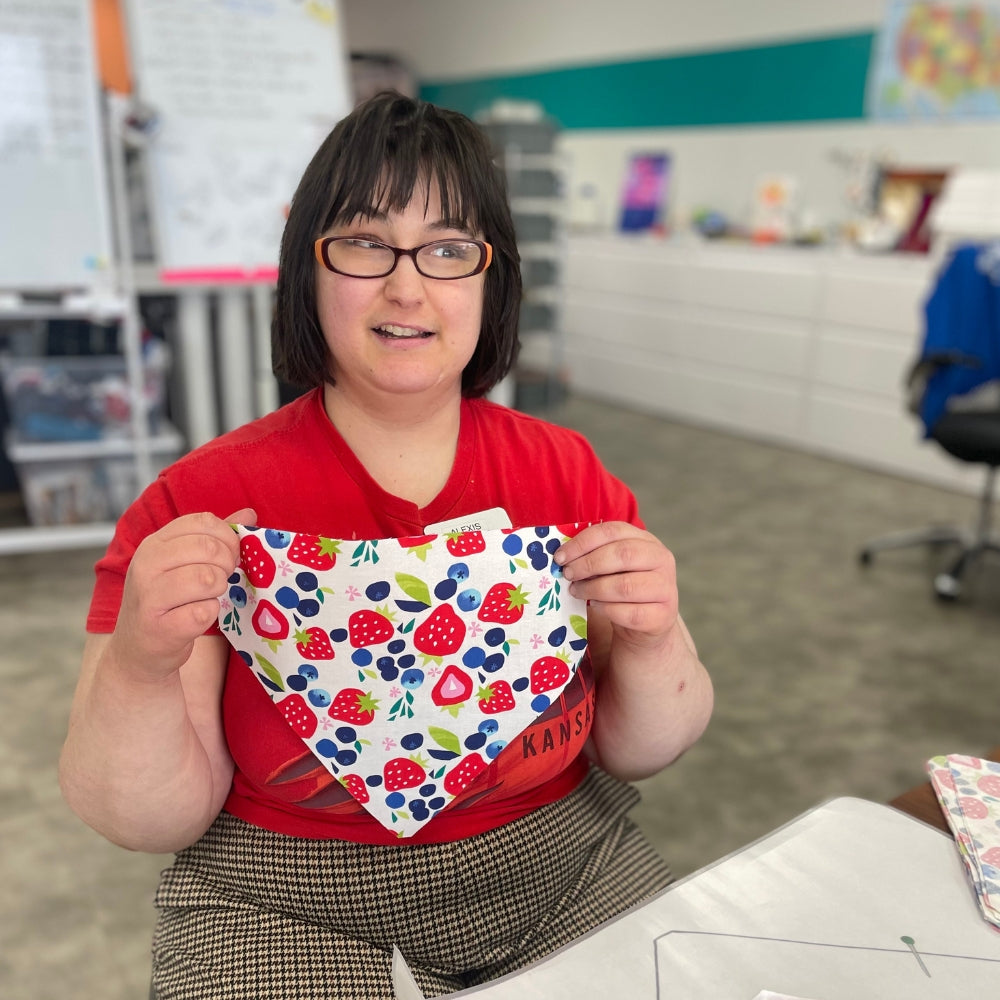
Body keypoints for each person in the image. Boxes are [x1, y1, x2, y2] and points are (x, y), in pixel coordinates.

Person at [59, 92, 713, 999]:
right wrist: (138, 663)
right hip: (284, 901)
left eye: (449, 249)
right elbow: (140, 814)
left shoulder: (567, 473)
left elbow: (641, 746)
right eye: (365, 243)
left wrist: (654, 635)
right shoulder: (197, 504)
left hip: (564, 865)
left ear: (492, 277)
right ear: (307, 263)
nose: (408, 286)